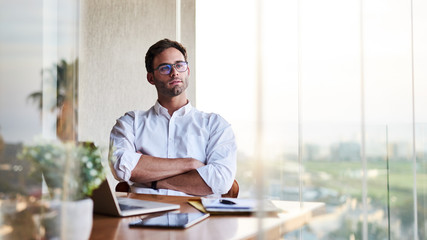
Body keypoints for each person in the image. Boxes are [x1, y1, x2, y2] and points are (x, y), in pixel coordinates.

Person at [109, 39, 237, 197]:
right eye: (165, 68)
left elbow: (220, 181)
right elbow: (121, 167)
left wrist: (152, 179)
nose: (174, 72)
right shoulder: (130, 122)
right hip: (142, 216)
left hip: (197, 216)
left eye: (179, 65)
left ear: (187, 71)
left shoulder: (215, 125)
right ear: (151, 78)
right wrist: (189, 164)